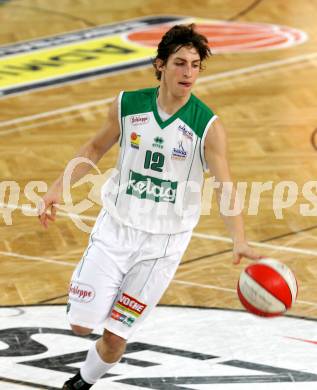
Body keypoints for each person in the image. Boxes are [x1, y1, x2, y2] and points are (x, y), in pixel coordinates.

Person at [39, 24, 261, 390]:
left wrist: (238, 238)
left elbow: (225, 186)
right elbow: (94, 149)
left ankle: (81, 382)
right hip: (116, 230)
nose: (188, 72)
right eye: (179, 63)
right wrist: (57, 188)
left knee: (115, 338)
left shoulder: (207, 126)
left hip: (162, 247)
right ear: (160, 65)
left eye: (194, 65)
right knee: (80, 324)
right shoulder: (128, 105)